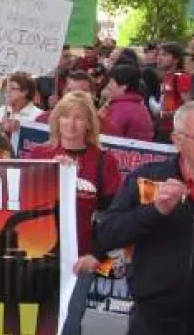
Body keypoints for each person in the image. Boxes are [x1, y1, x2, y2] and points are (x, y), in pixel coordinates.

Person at [94, 100, 194, 334]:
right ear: (177, 140)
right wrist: (155, 211)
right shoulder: (147, 178)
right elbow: (108, 233)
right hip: (153, 319)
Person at [28, 92, 121, 335]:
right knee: (36, 322)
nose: (71, 123)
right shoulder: (39, 155)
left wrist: (98, 253)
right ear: (56, 120)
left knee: (68, 323)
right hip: (39, 256)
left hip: (80, 258)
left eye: (79, 118)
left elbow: (114, 215)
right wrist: (52, 174)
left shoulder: (103, 161)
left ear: (89, 123)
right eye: (65, 116)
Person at [36, 71, 122, 137]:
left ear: (93, 95)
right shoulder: (43, 120)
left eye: (82, 92)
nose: (75, 96)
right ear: (63, 93)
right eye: (70, 91)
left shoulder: (107, 128)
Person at [102, 65, 155, 141]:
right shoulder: (139, 106)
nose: (108, 86)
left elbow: (108, 136)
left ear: (124, 86)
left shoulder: (121, 109)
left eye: (112, 83)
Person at [156, 42, 191, 142]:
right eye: (159, 54)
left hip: (176, 130)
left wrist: (168, 114)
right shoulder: (168, 76)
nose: (159, 58)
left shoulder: (181, 77)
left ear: (176, 59)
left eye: (164, 55)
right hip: (164, 127)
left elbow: (188, 106)